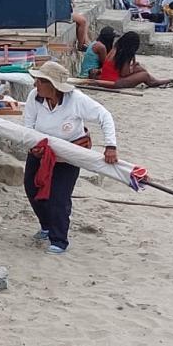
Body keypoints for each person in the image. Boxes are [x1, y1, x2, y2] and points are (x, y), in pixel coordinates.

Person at [22, 61, 120, 255]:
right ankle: (46, 225)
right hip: (41, 150)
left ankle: (59, 239)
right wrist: (33, 147)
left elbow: (104, 116)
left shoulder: (76, 100)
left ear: (53, 86)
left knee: (59, 195)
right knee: (32, 187)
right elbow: (27, 126)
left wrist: (111, 146)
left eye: (40, 81)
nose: (36, 85)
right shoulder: (34, 97)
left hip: (70, 152)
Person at [92, 31, 173, 89]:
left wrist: (134, 66)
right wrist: (133, 67)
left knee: (138, 69)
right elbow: (124, 73)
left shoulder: (116, 48)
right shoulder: (125, 53)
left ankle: (153, 80)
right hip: (114, 82)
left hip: (107, 77)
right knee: (144, 75)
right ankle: (154, 82)